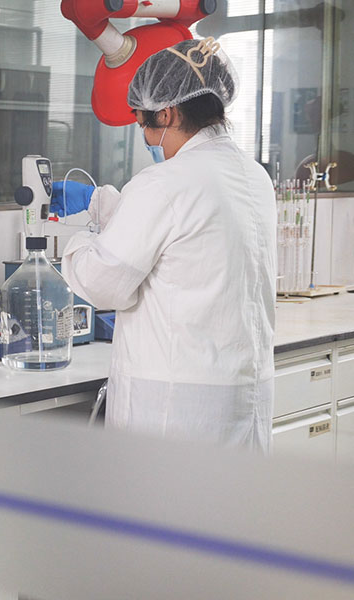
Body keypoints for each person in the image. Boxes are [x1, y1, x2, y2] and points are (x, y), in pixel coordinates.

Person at [52, 38, 277, 453]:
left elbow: (103, 283)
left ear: (167, 113)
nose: (146, 137)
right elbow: (187, 240)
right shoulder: (254, 176)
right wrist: (106, 204)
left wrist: (81, 239)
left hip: (178, 408)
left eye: (143, 124)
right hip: (242, 397)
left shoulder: (163, 183)